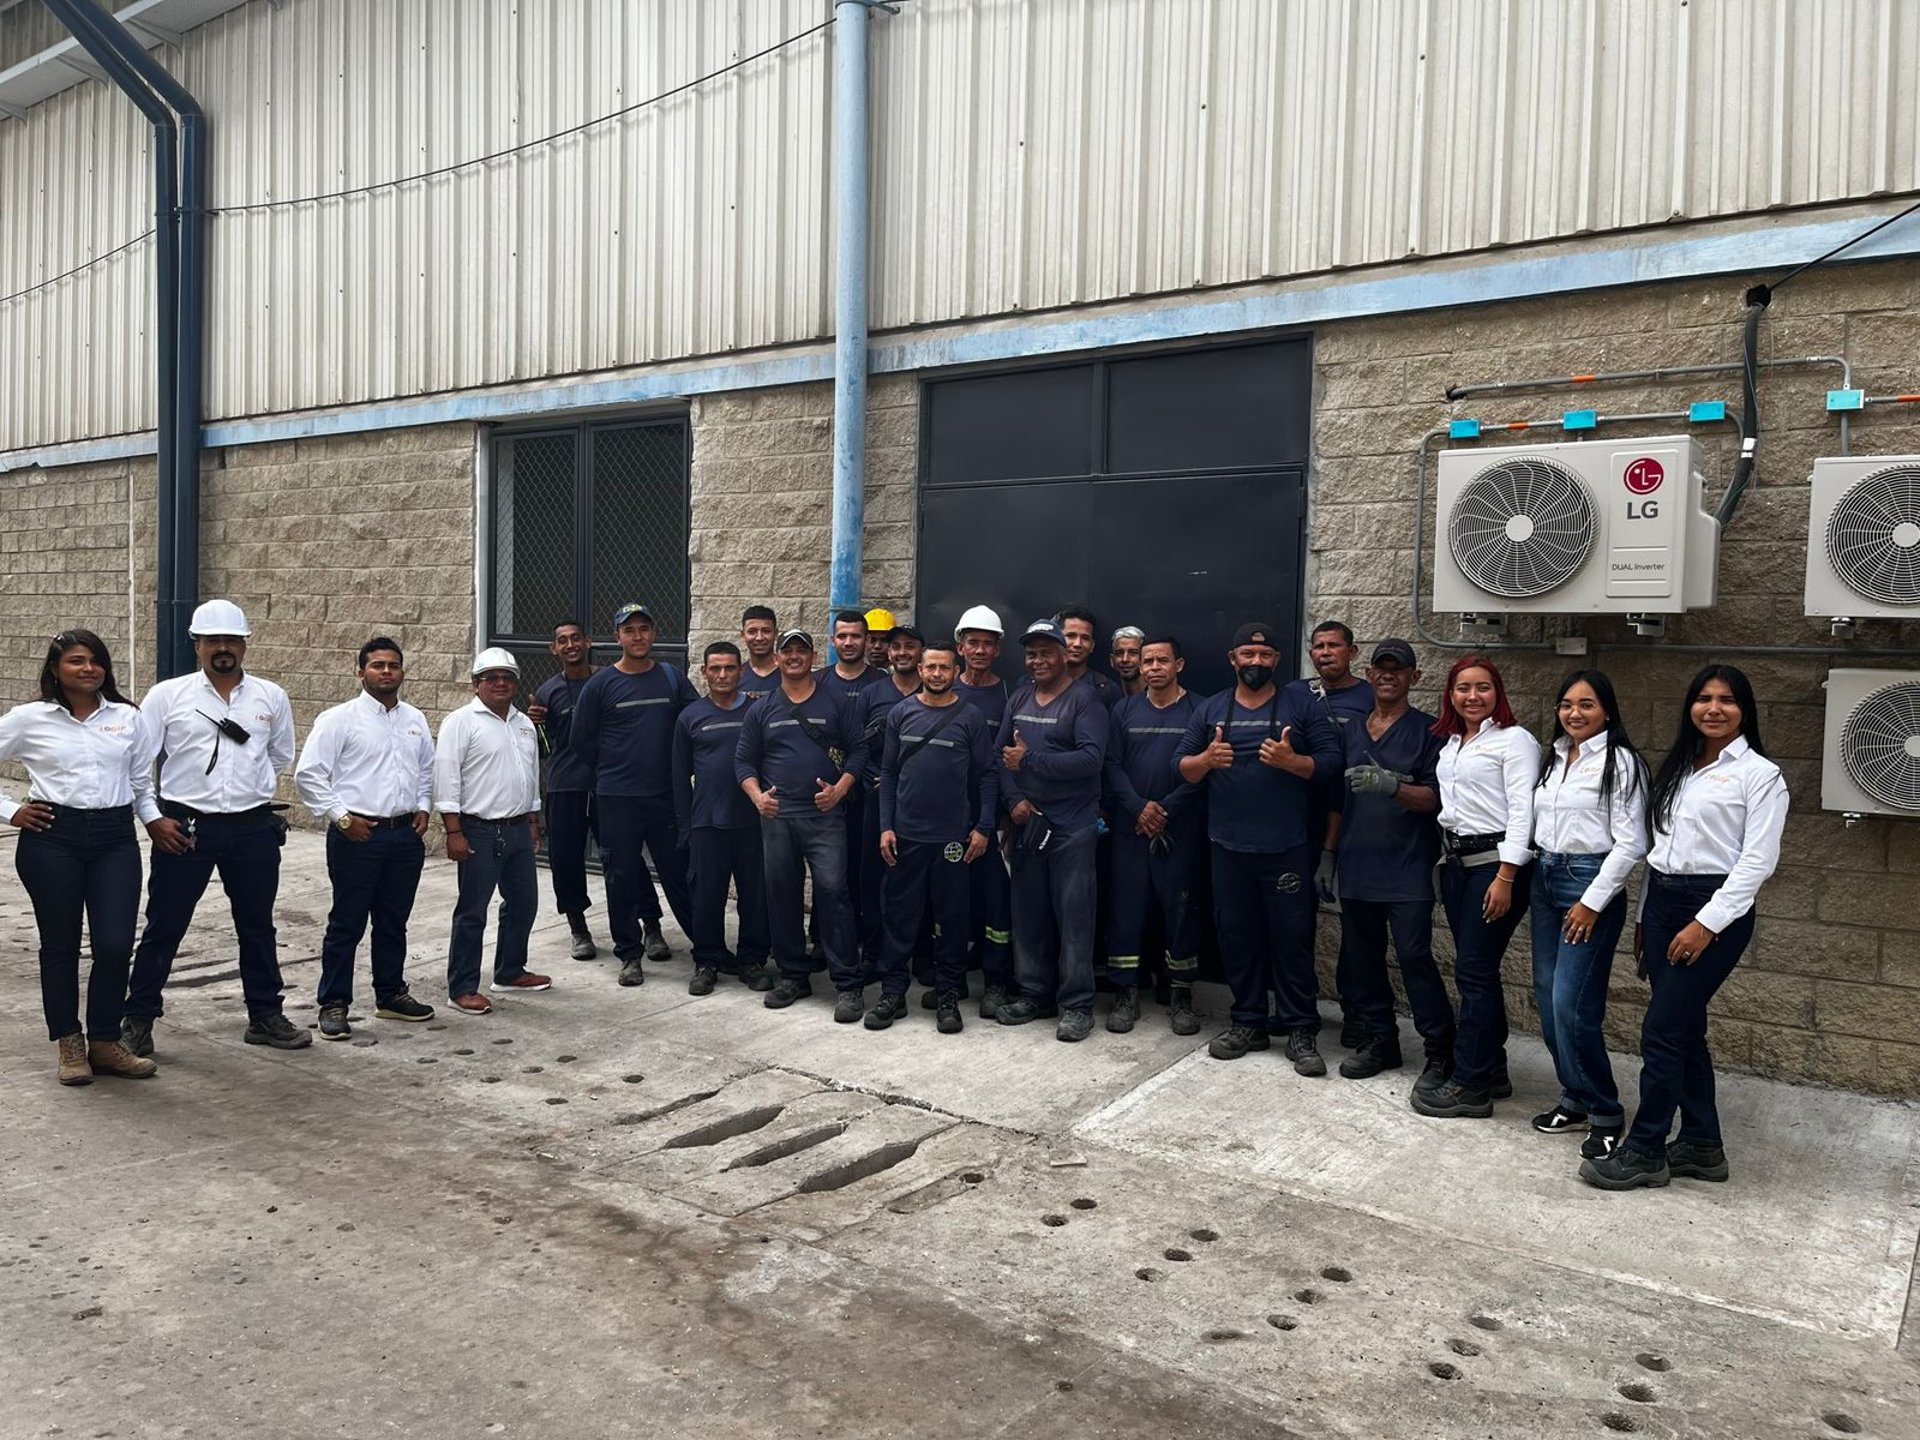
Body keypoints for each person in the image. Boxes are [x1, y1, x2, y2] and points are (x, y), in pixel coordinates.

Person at [1582, 665, 1787, 1191]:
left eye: (1727, 700)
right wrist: (1649, 919)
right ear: (1690, 706)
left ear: (1745, 710)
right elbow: (1658, 852)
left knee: (1663, 1031)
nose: (1714, 709)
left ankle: (1647, 1149)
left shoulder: (1760, 775)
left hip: (1715, 908)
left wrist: (1705, 924)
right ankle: (1701, 1144)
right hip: (1665, 901)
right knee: (1684, 1028)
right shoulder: (1679, 767)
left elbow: (1756, 863)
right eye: (1703, 698)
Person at [122, 599, 308, 1057]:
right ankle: (138, 1019)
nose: (223, 649)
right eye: (213, 641)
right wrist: (153, 818)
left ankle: (265, 1015)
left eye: (231, 640)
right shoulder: (169, 695)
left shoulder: (270, 696)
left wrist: (251, 789)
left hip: (251, 828)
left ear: (245, 645)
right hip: (185, 827)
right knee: (165, 926)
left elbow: (280, 754)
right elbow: (136, 761)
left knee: (257, 926)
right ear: (197, 645)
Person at [1176, 622, 1340, 1074]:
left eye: (1264, 656)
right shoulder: (1211, 709)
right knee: (1237, 937)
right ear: (1233, 659)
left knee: (1292, 940)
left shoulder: (1301, 705)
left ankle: (1301, 1027)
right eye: (1247, 654)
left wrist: (1294, 762)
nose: (1255, 662)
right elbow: (1182, 768)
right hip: (1227, 848)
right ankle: (1248, 1020)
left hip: (1286, 847)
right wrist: (1206, 761)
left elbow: (1331, 764)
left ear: (1277, 661)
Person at [1, 629, 159, 1085]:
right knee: (61, 945)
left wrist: (153, 821)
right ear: (55, 669)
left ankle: (106, 1042)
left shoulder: (128, 717)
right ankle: (70, 1044)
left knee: (113, 945)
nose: (88, 668)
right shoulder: (30, 719)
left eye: (95, 660)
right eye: (76, 661)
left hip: (114, 838)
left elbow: (140, 784)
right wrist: (12, 811)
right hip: (53, 838)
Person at [294, 636, 438, 1040]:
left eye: (393, 665)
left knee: (394, 922)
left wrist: (424, 806)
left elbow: (426, 767)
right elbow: (309, 775)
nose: (386, 671)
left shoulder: (414, 719)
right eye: (377, 665)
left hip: (404, 836)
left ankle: (390, 994)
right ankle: (334, 1002)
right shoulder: (339, 719)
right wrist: (341, 819)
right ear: (360, 672)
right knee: (347, 922)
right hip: (358, 836)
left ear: (402, 671)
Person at [1530, 670, 1648, 1158]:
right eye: (1566, 704)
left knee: (1571, 1005)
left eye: (1587, 704)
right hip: (1545, 878)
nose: (1574, 713)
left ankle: (1605, 1111)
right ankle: (1574, 1096)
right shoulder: (1554, 757)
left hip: (1588, 883)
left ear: (1607, 711)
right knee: (1545, 994)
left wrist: (1592, 901)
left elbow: (1633, 843)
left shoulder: (1621, 763)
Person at [1414, 655, 1538, 1119]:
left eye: (1482, 687)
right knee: (1476, 973)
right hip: (1457, 865)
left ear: (1497, 692)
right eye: (1463, 688)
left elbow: (1523, 812)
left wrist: (1507, 875)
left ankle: (1470, 1085)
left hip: (1496, 866)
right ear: (1450, 694)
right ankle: (1494, 1069)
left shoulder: (1515, 741)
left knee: (1474, 972)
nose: (1472, 696)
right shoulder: (1450, 743)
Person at [1325, 640, 1451, 1084]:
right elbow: (1338, 799)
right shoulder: (1353, 730)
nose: (1388, 675)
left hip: (1407, 866)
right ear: (1370, 673)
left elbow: (1437, 800)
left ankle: (1439, 1049)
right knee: (1363, 958)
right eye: (1381, 668)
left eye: (1398, 670)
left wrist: (1392, 786)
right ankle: (1382, 1040)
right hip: (1358, 863)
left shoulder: (1431, 732)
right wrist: (1328, 854)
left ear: (1414, 678)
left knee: (1415, 955)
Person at [734, 627, 869, 1018]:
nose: (794, 656)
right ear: (776, 659)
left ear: (813, 658)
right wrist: (758, 797)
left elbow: (859, 749)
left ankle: (847, 983)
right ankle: (793, 975)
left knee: (833, 893)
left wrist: (841, 790)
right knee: (782, 895)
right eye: (787, 651)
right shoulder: (761, 709)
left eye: (801, 651)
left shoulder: (837, 701)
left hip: (825, 816)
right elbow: (743, 761)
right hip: (779, 817)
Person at [873, 641, 997, 1034]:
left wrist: (983, 827)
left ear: (955, 669)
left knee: (952, 921)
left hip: (953, 840)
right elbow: (888, 774)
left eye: (944, 667)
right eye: (931, 667)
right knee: (900, 919)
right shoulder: (901, 713)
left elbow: (988, 775)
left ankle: (947, 996)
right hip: (906, 836)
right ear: (921, 670)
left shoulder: (970, 717)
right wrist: (885, 826)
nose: (937, 674)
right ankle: (893, 993)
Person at [570, 602, 698, 985]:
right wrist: (615, 767)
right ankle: (629, 954)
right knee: (621, 877)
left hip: (665, 797)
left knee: (681, 874)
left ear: (654, 634)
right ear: (617, 637)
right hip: (618, 798)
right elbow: (581, 742)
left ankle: (706, 948)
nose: (638, 636)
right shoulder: (601, 685)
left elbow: (695, 723)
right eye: (629, 630)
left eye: (644, 628)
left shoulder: (672, 678)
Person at [996, 619, 1111, 1041]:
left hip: (1073, 827)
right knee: (1029, 914)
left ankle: (1077, 1005)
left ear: (1064, 655)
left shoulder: (1085, 701)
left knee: (1075, 917)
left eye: (1047, 652)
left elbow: (1090, 761)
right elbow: (1000, 757)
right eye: (1032, 653)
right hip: (1029, 824)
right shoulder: (1020, 695)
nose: (1038, 660)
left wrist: (1029, 763)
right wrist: (1015, 802)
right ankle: (1035, 994)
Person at [435, 648, 550, 1016]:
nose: (500, 683)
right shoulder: (461, 722)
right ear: (476, 684)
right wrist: (453, 831)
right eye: (491, 677)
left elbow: (531, 776)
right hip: (478, 830)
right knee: (472, 911)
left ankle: (509, 971)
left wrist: (533, 822)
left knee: (523, 904)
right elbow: (447, 779)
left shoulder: (523, 724)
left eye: (508, 677)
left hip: (517, 829)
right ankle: (462, 987)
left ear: (516, 682)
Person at [1103, 637, 1203, 1034]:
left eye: (1163, 660)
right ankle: (1125, 992)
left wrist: (1167, 809)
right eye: (1148, 661)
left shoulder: (1200, 710)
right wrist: (1138, 807)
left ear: (1179, 663)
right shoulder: (1124, 709)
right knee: (1126, 909)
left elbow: (1205, 769)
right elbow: (1111, 766)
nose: (1154, 667)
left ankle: (1179, 992)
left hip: (1179, 830)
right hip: (1132, 828)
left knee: (1180, 911)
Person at [672, 641, 773, 995]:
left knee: (755, 896)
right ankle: (707, 961)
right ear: (704, 672)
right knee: (707, 898)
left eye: (730, 668)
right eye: (715, 668)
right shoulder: (690, 717)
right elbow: (679, 776)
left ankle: (752, 960)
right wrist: (685, 826)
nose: (722, 675)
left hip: (753, 822)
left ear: (741, 671)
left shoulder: (757, 712)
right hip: (707, 823)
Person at [1294, 620, 1376, 1047]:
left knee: (1358, 925)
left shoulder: (1369, 696)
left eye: (1334, 646)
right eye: (1318, 646)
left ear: (1353, 651)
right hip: (1303, 822)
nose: (1325, 653)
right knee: (1297, 921)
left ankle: (1357, 1012)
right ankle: (1298, 1007)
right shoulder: (1296, 694)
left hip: (1357, 819)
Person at [851, 623, 925, 979]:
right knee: (872, 878)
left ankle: (922, 954)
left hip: (921, 805)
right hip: (876, 801)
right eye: (896, 647)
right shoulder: (872, 693)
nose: (901, 653)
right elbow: (856, 745)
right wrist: (869, 777)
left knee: (919, 880)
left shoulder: (936, 690)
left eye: (910, 647)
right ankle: (874, 951)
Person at [953, 603, 1015, 1013]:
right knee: (951, 900)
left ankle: (996, 981)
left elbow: (1007, 759)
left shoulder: (1009, 694)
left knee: (998, 901)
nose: (979, 650)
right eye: (972, 642)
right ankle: (952, 976)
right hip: (946, 817)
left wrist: (999, 818)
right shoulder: (942, 688)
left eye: (987, 644)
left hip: (993, 818)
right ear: (960, 646)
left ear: (997, 650)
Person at [528, 620, 600, 960]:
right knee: (566, 862)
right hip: (565, 785)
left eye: (576, 638)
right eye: (562, 641)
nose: (570, 645)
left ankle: (649, 925)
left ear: (588, 642)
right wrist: (538, 725)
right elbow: (543, 748)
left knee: (623, 858)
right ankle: (578, 928)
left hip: (607, 784)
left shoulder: (607, 679)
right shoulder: (547, 692)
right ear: (553, 649)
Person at [1056, 605, 1119, 708]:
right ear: (1058, 639)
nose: (1077, 644)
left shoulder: (1107, 690)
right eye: (1071, 636)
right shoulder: (1034, 683)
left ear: (1092, 645)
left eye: (1085, 638)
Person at [739, 605, 780, 698]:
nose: (759, 638)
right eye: (752, 631)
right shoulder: (736, 676)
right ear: (743, 635)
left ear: (776, 633)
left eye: (766, 631)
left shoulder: (790, 674)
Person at [1109, 626, 1146, 699]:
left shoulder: (1158, 697)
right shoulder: (1107, 697)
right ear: (1112, 660)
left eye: (1133, 653)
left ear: (1145, 659)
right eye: (1119, 653)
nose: (1125, 659)